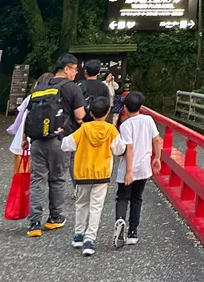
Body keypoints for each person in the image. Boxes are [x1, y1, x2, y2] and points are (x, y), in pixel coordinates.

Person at [26, 54, 86, 237]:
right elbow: (79, 116)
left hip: (36, 140)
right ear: (67, 69)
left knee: (37, 180)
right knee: (57, 179)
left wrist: (24, 139)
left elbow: (29, 116)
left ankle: (34, 223)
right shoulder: (71, 88)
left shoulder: (40, 87)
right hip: (60, 140)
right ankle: (55, 218)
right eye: (75, 69)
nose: (76, 73)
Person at [61, 95, 124, 256]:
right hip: (101, 174)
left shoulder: (84, 129)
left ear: (90, 112)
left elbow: (67, 144)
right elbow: (119, 150)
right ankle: (90, 240)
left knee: (81, 204)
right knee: (96, 207)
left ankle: (78, 235)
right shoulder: (111, 130)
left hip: (83, 173)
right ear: (108, 111)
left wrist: (61, 134)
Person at [113, 91, 163, 248]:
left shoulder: (126, 125)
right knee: (137, 198)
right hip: (143, 167)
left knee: (122, 197)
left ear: (125, 108)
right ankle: (133, 232)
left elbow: (129, 148)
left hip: (129, 168)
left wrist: (128, 171)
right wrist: (157, 158)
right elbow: (156, 139)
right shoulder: (148, 120)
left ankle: (120, 221)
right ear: (141, 107)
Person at [7, 72, 53, 174]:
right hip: (43, 137)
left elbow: (21, 116)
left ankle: (22, 189)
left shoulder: (31, 97)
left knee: (21, 170)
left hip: (24, 134)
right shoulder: (53, 98)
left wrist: (15, 129)